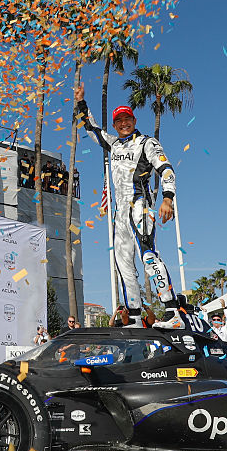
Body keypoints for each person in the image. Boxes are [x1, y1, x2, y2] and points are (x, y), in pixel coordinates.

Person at [74, 82, 182, 329]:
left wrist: (168, 197)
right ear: (115, 124)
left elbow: (166, 168)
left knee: (148, 255)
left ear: (133, 120)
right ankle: (133, 316)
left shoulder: (147, 142)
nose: (123, 123)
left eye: (127, 119)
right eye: (119, 120)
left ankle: (172, 310)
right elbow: (91, 128)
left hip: (140, 205)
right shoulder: (113, 144)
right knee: (123, 263)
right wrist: (81, 103)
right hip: (119, 212)